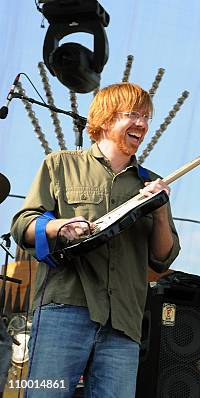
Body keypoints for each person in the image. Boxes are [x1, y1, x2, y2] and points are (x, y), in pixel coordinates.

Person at [11, 82, 180, 396]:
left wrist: (160, 211)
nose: (142, 124)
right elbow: (23, 225)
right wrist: (58, 227)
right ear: (105, 119)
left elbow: (164, 256)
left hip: (124, 321)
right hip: (63, 310)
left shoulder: (149, 182)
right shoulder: (59, 165)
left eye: (147, 117)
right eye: (133, 114)